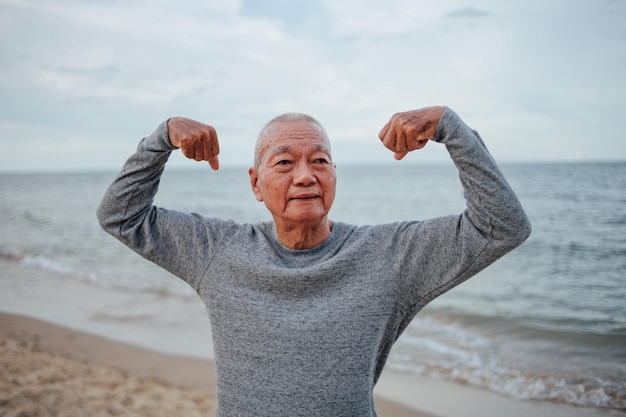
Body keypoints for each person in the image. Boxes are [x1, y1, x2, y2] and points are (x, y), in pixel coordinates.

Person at [97, 106, 531, 416]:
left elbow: (501, 227)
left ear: (334, 176)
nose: (305, 175)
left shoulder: (388, 257)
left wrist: (450, 128)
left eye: (319, 160)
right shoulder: (218, 250)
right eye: (284, 162)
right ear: (256, 184)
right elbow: (120, 215)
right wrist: (161, 139)